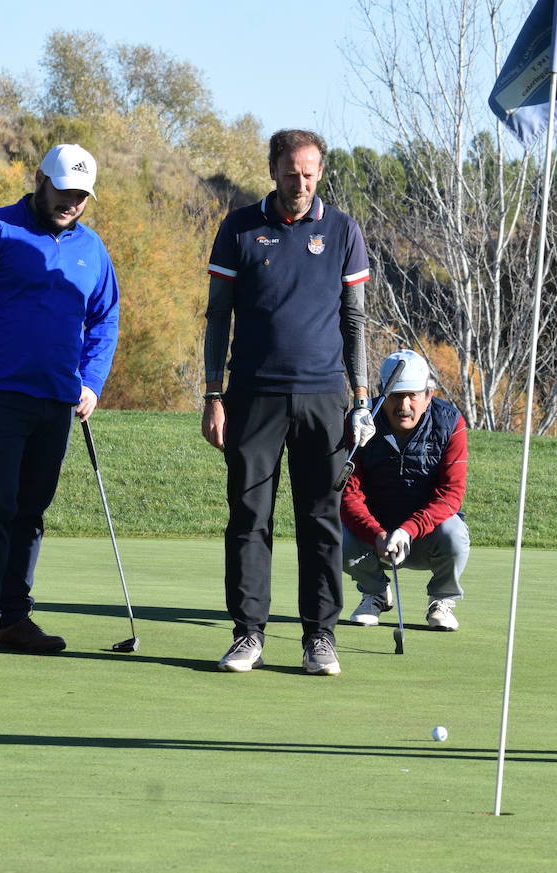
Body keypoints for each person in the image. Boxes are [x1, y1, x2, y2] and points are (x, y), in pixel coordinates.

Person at [201, 128, 371, 676]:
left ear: (320, 171)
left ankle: (320, 638)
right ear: (272, 169)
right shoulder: (240, 228)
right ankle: (248, 634)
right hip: (253, 395)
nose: (300, 182)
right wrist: (213, 393)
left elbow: (354, 320)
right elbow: (218, 315)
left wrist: (362, 398)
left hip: (324, 396)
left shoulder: (343, 230)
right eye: (291, 171)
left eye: (309, 172)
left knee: (321, 520)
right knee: (249, 517)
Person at [0, 143, 120, 657]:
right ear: (39, 178)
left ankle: (15, 618)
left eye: (82, 196)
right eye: (64, 191)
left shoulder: (92, 248)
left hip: (56, 400)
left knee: (31, 510)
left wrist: (90, 382)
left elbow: (105, 318)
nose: (72, 203)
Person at [341, 349, 470, 632]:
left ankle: (441, 600)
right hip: (376, 536)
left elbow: (450, 495)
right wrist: (376, 534)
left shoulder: (449, 424)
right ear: (381, 394)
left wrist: (408, 530)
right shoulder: (360, 424)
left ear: (429, 394)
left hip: (426, 535)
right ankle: (374, 592)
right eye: (397, 396)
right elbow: (348, 494)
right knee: (339, 537)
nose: (405, 404)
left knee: (454, 534)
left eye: (413, 395)